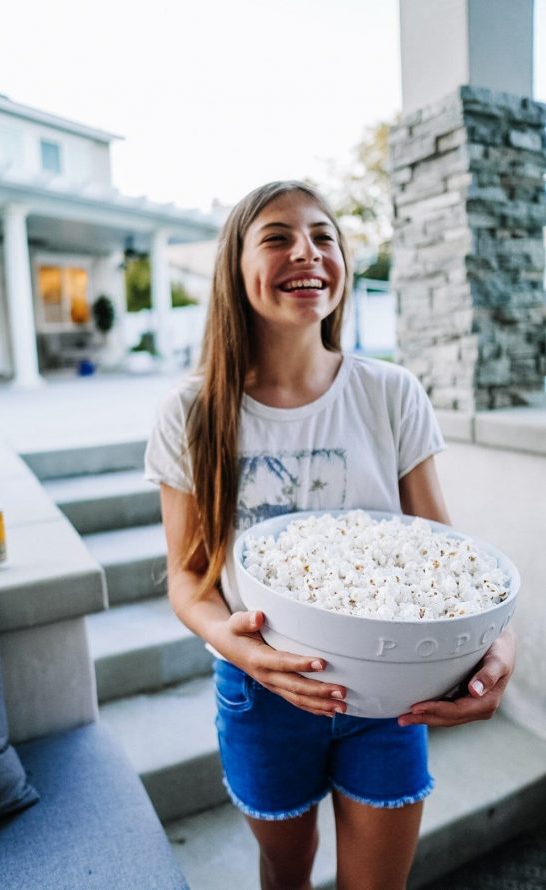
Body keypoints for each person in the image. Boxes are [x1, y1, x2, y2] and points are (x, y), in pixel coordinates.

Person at [145, 181, 516, 890]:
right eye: (277, 236)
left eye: (323, 236)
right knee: (285, 869)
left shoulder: (389, 392)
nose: (306, 252)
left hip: (391, 694)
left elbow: (450, 555)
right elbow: (189, 580)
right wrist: (244, 653)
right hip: (261, 696)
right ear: (235, 266)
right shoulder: (192, 413)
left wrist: (493, 641)